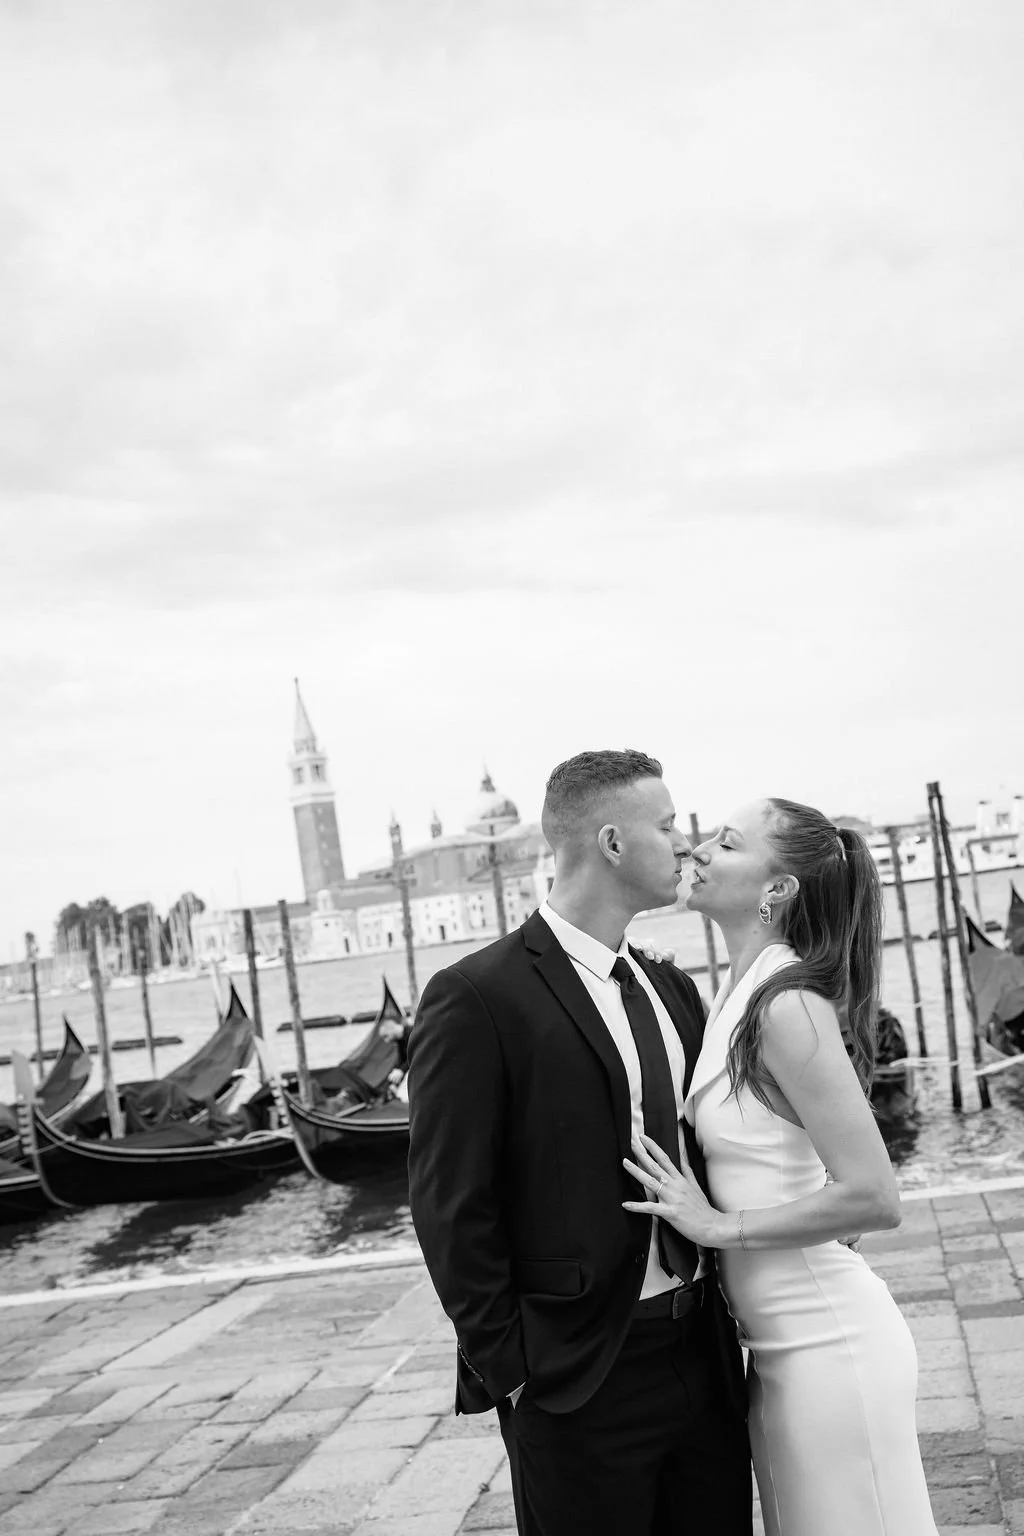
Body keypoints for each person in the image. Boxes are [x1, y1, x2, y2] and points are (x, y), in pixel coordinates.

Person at [407, 750, 752, 1536]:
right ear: (612, 843)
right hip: (574, 1377)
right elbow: (449, 1203)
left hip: (702, 1353)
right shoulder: (476, 996)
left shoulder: (673, 988)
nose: (686, 844)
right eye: (667, 827)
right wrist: (514, 1371)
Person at [624, 799, 938, 1536]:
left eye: (726, 844)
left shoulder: (786, 1006)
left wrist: (718, 1226)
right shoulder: (734, 995)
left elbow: (874, 1195)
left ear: (778, 890)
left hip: (830, 1349)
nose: (696, 851)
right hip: (775, 1354)